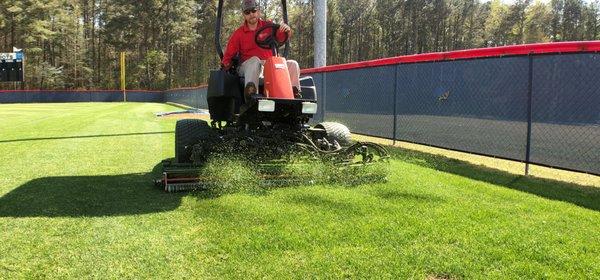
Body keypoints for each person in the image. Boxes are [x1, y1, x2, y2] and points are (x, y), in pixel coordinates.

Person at [221, 0, 301, 100]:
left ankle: (293, 93)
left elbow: (280, 38)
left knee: (293, 64)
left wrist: (285, 30)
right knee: (255, 60)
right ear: (244, 15)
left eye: (253, 11)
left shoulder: (268, 26)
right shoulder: (239, 33)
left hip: (269, 65)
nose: (251, 14)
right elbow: (229, 53)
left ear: (258, 11)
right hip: (248, 67)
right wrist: (226, 65)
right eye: (247, 12)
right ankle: (251, 95)